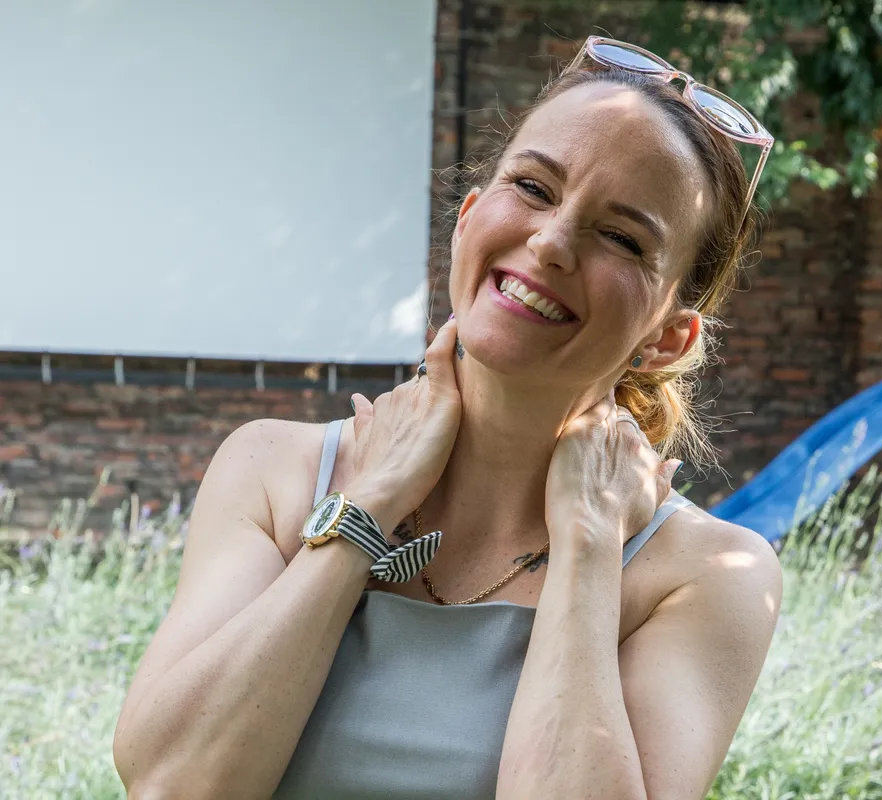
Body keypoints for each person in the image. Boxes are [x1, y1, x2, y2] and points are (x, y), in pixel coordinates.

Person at [112, 35, 783, 800]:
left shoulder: (704, 577)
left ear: (668, 338)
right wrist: (367, 508)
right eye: (533, 187)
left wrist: (589, 545)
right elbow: (170, 783)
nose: (552, 242)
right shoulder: (272, 470)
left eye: (622, 238)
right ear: (468, 220)